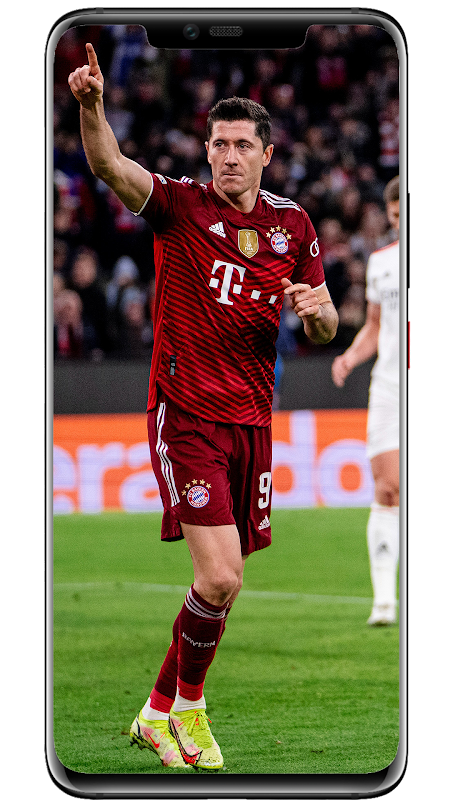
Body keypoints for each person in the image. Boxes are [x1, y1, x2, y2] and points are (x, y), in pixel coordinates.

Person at [68, 43, 339, 770]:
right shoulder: (180, 208)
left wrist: (317, 313)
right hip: (185, 411)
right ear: (207, 150)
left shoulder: (294, 227)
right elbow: (110, 166)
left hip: (253, 421)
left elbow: (324, 324)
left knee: (224, 582)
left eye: (242, 145)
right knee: (219, 576)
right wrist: (92, 107)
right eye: (218, 143)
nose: (227, 156)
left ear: (267, 155)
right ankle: (188, 709)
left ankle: (158, 713)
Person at [331, 175, 400, 626]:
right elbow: (375, 326)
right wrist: (351, 356)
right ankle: (385, 601)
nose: (398, 222)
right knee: (388, 487)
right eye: (393, 216)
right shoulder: (381, 263)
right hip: (390, 387)